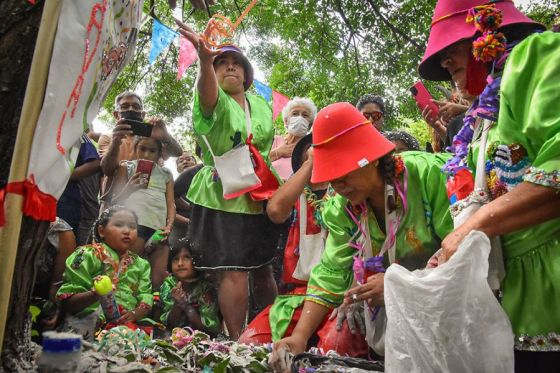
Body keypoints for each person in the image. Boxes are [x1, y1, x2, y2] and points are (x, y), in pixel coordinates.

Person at [418, 0, 560, 370]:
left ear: (489, 34)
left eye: (453, 47)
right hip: (506, 297)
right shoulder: (480, 117)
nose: (446, 63)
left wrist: (474, 228)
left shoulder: (537, 57)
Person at [270, 103, 453, 371]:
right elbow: (331, 272)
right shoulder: (342, 207)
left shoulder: (429, 175)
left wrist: (399, 286)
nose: (339, 185)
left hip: (444, 300)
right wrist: (299, 336)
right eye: (331, 177)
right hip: (382, 307)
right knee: (334, 344)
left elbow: (462, 253)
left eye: (344, 172)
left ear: (374, 157)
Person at [176, 20, 281, 340]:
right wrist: (205, 61)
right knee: (233, 269)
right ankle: (239, 342)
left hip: (260, 191)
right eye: (223, 63)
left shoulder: (262, 105)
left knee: (263, 265)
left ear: (248, 75)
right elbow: (207, 96)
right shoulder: (211, 100)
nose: (231, 67)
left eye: (237, 63)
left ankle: (272, 332)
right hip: (222, 191)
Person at [240, 134, 369, 356]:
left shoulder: (347, 192)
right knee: (248, 346)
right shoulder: (295, 194)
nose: (317, 156)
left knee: (332, 349)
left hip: (344, 296)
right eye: (309, 153)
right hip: (297, 297)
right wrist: (310, 164)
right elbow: (275, 211)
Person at [56, 206, 153, 340]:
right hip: (86, 327)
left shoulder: (141, 264)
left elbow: (146, 296)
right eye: (119, 225)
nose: (127, 231)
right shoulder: (86, 255)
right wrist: (95, 294)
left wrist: (135, 314)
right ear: (102, 231)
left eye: (132, 226)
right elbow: (68, 302)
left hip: (127, 329)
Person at [111, 136, 175, 289]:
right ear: (135, 150)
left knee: (157, 281)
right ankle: (124, 309)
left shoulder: (166, 173)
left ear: (159, 153)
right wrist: (130, 188)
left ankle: (151, 311)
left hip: (159, 231)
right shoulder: (126, 167)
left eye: (152, 151)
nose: (146, 154)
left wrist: (169, 226)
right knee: (129, 275)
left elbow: (170, 203)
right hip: (135, 227)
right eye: (142, 149)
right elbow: (114, 201)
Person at [99, 91, 182, 209]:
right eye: (125, 106)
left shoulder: (153, 139)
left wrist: (165, 136)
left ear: (143, 115)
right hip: (115, 206)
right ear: (116, 114)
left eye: (136, 107)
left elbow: (178, 152)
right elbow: (107, 169)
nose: (131, 109)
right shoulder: (108, 138)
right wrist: (116, 142)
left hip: (148, 206)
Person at [160, 240, 221, 336]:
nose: (180, 263)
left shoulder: (206, 288)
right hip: (173, 336)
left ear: (197, 260)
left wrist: (185, 305)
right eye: (175, 259)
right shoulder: (169, 285)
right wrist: (177, 304)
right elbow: (169, 326)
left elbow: (209, 330)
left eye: (187, 258)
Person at [56, 134, 100, 233]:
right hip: (45, 196)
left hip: (67, 199)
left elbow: (94, 163)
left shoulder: (77, 134)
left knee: (64, 234)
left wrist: (63, 177)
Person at [269, 97, 317, 180]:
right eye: (295, 114)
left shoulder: (311, 151)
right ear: (286, 121)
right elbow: (255, 165)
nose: (300, 118)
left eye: (305, 115)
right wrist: (278, 152)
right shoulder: (273, 140)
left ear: (310, 125)